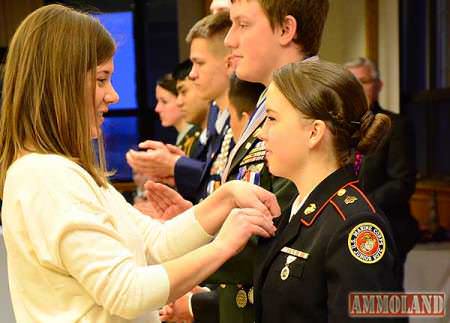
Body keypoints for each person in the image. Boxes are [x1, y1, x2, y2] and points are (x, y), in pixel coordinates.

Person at [0, 5, 281, 323]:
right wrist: (224, 245)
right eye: (101, 80)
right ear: (60, 83)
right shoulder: (46, 176)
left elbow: (155, 244)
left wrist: (226, 197)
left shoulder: (65, 171)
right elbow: (126, 292)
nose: (114, 95)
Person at [254, 60, 405, 323]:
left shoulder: (355, 227)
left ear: (314, 133)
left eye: (271, 118)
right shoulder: (298, 206)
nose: (261, 133)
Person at [127, 11, 234, 203]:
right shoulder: (218, 121)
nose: (192, 74)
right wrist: (177, 167)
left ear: (230, 61)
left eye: (199, 63)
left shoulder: (241, 115)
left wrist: (176, 165)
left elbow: (229, 186)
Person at [345, 57, 419, 283]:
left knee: (384, 305)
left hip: (386, 229)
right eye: (352, 83)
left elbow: (402, 182)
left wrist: (360, 207)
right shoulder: (338, 129)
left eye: (364, 81)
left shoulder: (395, 126)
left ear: (378, 85)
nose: (358, 89)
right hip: (343, 230)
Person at [154, 73, 194, 148]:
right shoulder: (185, 140)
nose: (157, 109)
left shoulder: (194, 141)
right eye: (157, 101)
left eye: (164, 102)